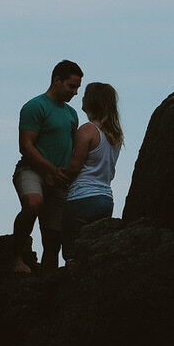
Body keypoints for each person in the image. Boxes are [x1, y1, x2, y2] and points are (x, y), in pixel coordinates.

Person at [13, 60, 82, 270]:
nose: (75, 92)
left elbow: (71, 149)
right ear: (56, 80)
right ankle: (15, 257)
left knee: (54, 236)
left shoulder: (71, 114)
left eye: (78, 87)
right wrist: (49, 169)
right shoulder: (35, 106)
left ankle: (47, 278)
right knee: (33, 203)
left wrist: (67, 174)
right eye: (72, 86)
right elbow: (25, 145)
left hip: (59, 179)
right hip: (31, 171)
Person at [62, 82, 124, 250]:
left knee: (72, 251)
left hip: (81, 197)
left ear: (92, 101)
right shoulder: (115, 135)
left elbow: (74, 167)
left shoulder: (88, 130)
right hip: (105, 198)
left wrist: (57, 177)